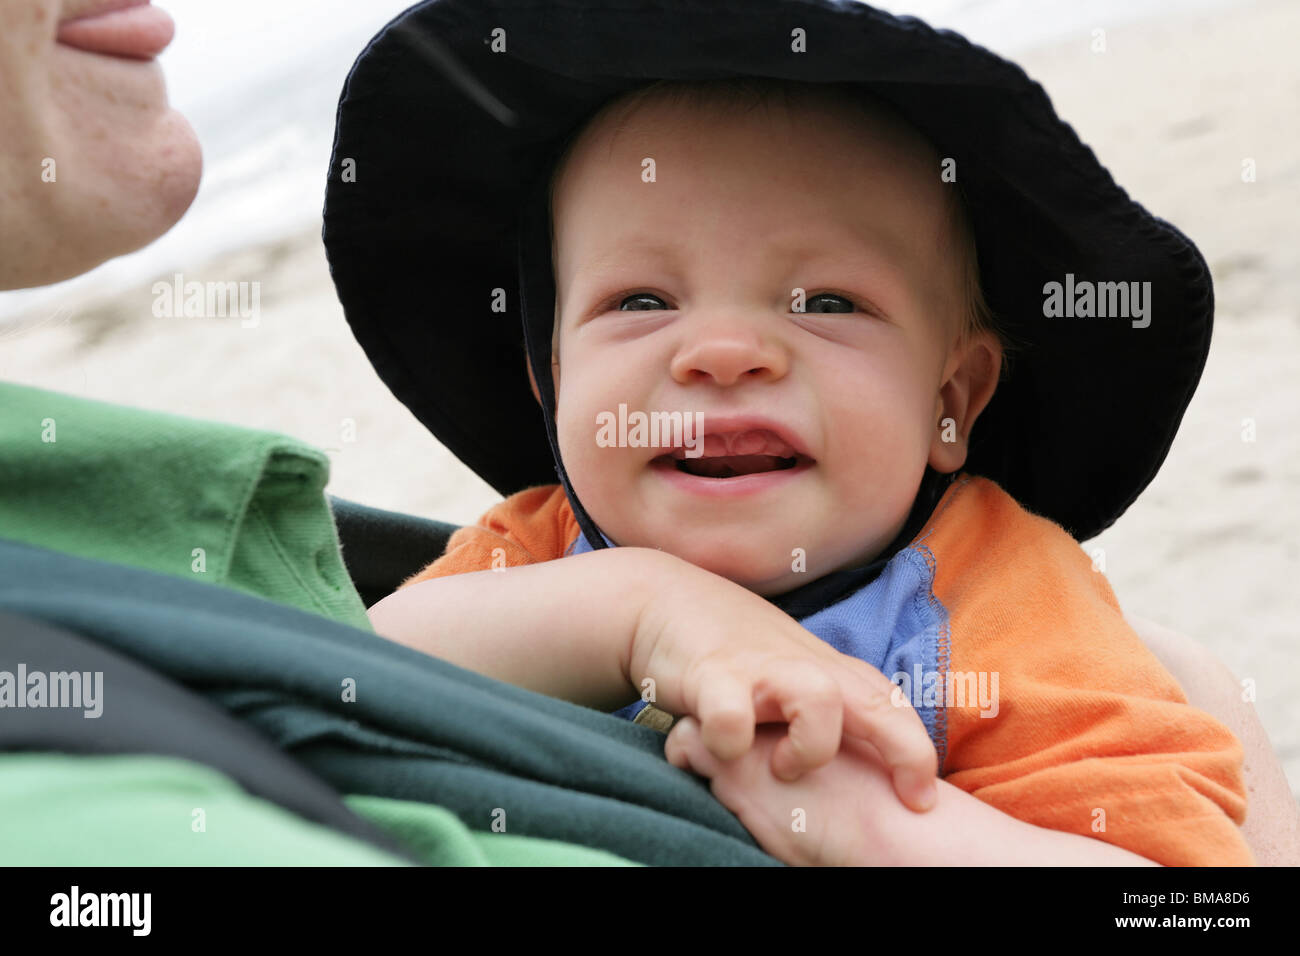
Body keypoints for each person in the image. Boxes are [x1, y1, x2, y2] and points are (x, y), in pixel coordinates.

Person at [338, 0, 1298, 865]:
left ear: (951, 400)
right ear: (550, 382)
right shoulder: (539, 553)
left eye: (827, 301)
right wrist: (635, 611)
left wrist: (888, 829)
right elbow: (346, 673)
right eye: (640, 299)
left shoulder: (1001, 600)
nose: (722, 351)